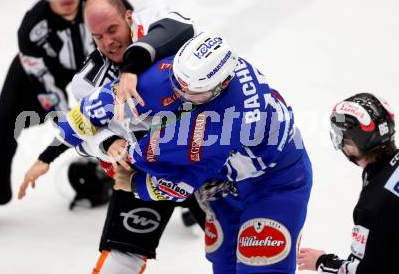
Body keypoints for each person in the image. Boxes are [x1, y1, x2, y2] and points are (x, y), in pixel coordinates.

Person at [26, 32, 313, 274]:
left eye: (193, 93)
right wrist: (50, 153)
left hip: (275, 184)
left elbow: (180, 184)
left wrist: (131, 180)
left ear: (222, 85)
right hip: (223, 183)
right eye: (178, 83)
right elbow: (88, 113)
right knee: (224, 265)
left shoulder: (222, 125)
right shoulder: (178, 75)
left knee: (259, 266)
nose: (181, 94)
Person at [20, 0, 205, 274]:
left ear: (128, 17)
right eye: (98, 36)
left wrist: (132, 67)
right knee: (122, 255)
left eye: (113, 29)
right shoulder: (87, 82)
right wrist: (108, 143)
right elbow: (84, 129)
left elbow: (182, 28)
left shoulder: (154, 19)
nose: (108, 42)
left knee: (234, 242)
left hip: (206, 152)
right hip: (149, 166)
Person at [0, 0, 132, 224]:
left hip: (103, 65)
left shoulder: (105, 4)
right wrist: (78, 136)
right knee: (2, 121)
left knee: (139, 109)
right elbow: (49, 92)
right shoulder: (32, 27)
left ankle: (178, 190)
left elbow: (136, 41)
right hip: (45, 75)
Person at [297, 93, 399, 274]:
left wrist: (322, 261)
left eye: (342, 136)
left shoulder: (372, 206)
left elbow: (365, 270)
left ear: (355, 144)